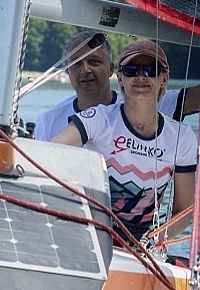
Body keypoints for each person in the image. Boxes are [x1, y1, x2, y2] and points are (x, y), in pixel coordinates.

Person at [52, 39, 197, 244]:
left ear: (164, 79)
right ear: (120, 78)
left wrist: (151, 241)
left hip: (142, 245)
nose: (141, 76)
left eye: (151, 70)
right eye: (131, 70)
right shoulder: (98, 119)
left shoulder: (182, 137)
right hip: (90, 238)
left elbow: (184, 210)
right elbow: (51, 151)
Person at [34, 30, 200, 141]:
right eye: (76, 63)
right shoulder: (48, 121)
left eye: (94, 62)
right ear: (68, 71)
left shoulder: (146, 104)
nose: (85, 70)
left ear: (111, 69)